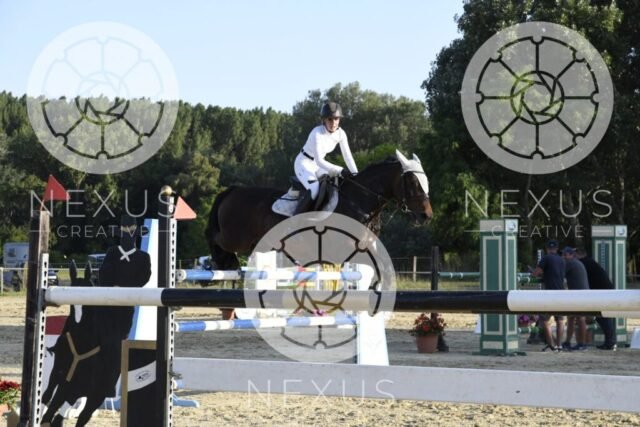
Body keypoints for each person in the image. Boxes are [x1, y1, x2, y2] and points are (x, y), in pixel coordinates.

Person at [293, 102, 358, 214]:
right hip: (303, 163)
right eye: (330, 119)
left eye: (336, 119)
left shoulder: (341, 134)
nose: (333, 122)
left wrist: (356, 175)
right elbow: (320, 161)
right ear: (324, 120)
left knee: (335, 183)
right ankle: (296, 220)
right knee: (314, 189)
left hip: (316, 166)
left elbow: (348, 157)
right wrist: (340, 170)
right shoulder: (317, 133)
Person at [576, 247, 618, 350]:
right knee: (602, 317)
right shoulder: (589, 261)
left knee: (602, 317)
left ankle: (610, 342)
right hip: (604, 291)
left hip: (601, 292)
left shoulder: (583, 263)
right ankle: (611, 341)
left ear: (579, 254)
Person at [532, 239, 565, 352]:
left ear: (547, 249)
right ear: (557, 249)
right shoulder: (561, 259)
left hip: (550, 293)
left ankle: (551, 344)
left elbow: (536, 273)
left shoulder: (545, 258)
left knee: (544, 320)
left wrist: (536, 273)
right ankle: (559, 345)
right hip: (561, 292)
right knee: (560, 320)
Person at [561, 247, 589, 351]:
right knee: (571, 318)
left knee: (580, 319)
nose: (563, 257)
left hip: (579, 295)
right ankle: (568, 342)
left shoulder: (570, 263)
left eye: (565, 255)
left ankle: (582, 343)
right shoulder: (576, 262)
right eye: (563, 255)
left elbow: (559, 274)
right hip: (578, 294)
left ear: (571, 255)